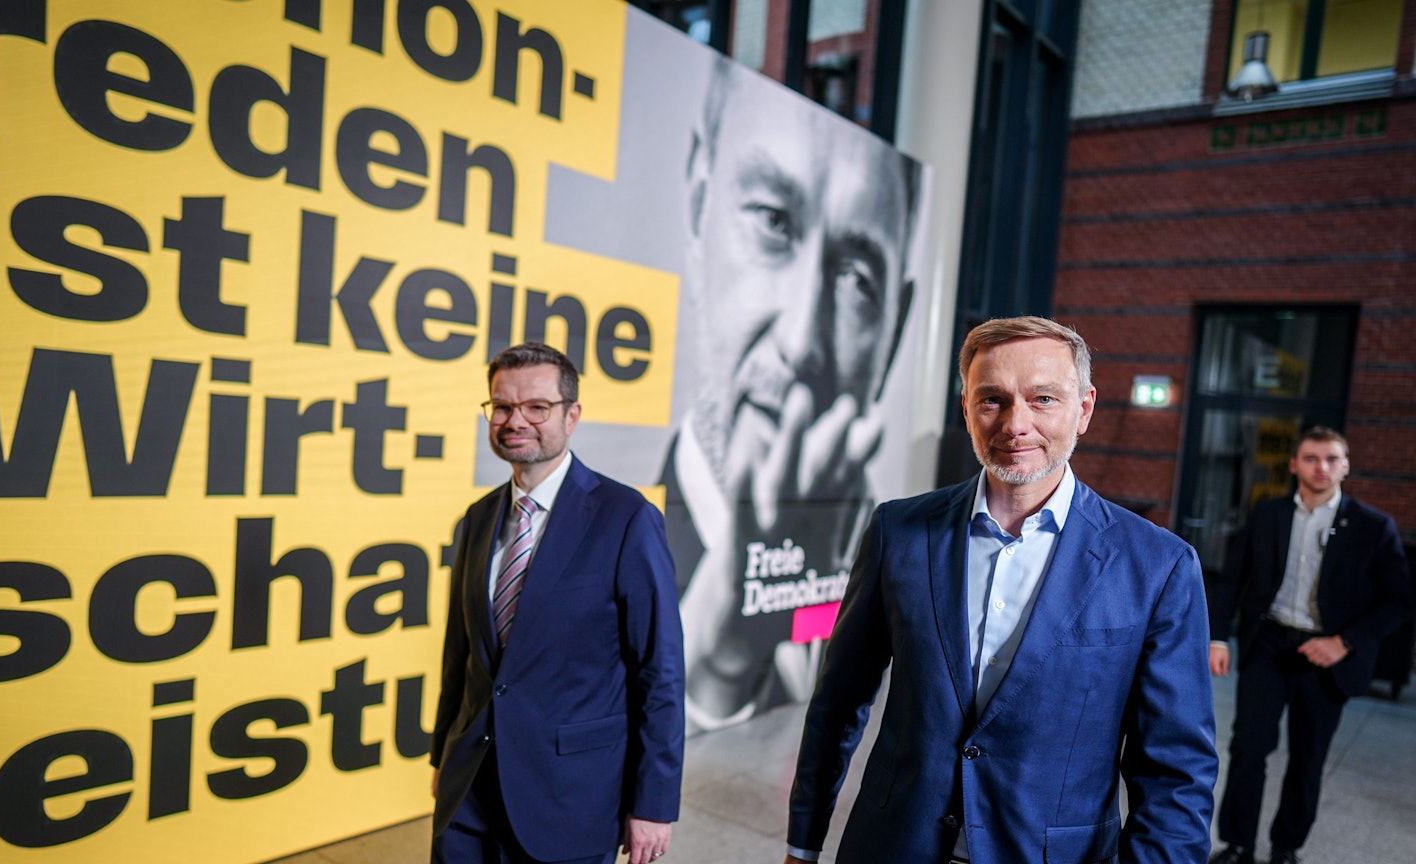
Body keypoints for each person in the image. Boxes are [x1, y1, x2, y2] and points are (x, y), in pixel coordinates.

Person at [782, 316, 1218, 864]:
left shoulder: (1158, 566)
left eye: (1042, 399)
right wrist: (803, 842)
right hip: (894, 846)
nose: (1016, 424)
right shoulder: (898, 533)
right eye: (992, 400)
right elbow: (838, 704)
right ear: (965, 408)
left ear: (1082, 410)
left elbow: (1176, 772)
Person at [666, 56, 922, 731]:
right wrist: (717, 654)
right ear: (697, 205)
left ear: (894, 332)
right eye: (774, 222)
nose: (803, 338)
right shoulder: (613, 546)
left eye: (855, 277)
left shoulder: (883, 566)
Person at [430, 343, 685, 864]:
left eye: (536, 407)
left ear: (572, 416)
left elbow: (660, 672)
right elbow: (459, 655)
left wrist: (654, 804)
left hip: (569, 800)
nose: (515, 420)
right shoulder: (478, 518)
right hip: (471, 794)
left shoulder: (626, 518)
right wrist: (442, 755)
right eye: (501, 406)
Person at [1206, 427, 1411, 864]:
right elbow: (1232, 578)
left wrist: (1345, 642)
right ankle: (1237, 844)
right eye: (1313, 458)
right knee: (1248, 748)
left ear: (1346, 465)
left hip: (1327, 658)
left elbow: (1398, 600)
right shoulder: (1268, 514)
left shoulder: (1373, 527)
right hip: (1270, 644)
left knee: (1307, 758)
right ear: (1294, 465)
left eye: (1332, 459)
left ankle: (1285, 849)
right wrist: (1218, 636)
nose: (1323, 467)